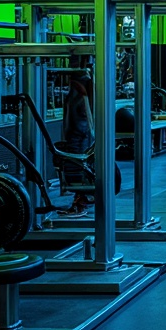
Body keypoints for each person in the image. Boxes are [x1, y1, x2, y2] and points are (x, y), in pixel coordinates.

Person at [58, 61, 94, 216]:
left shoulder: (82, 86)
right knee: (75, 162)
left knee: (78, 162)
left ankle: (81, 198)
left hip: (79, 133)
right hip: (77, 131)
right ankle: (81, 197)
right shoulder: (79, 87)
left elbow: (82, 117)